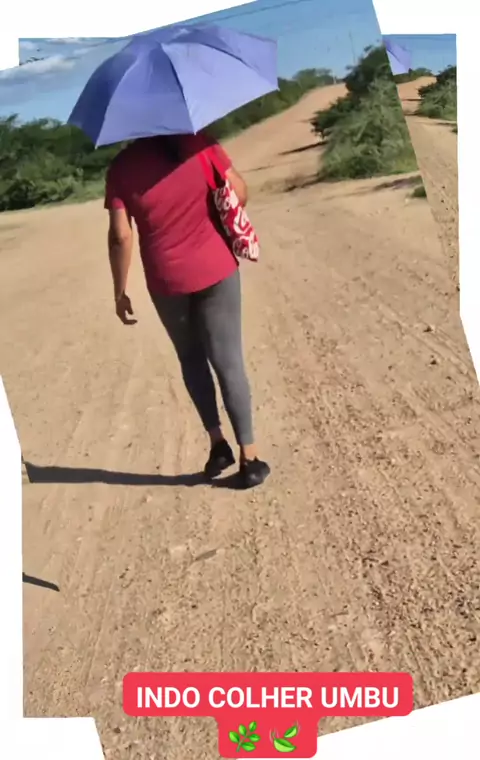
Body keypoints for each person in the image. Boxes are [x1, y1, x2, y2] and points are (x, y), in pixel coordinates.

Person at [104, 132, 271, 489]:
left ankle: (217, 443)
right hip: (217, 267)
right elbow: (239, 193)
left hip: (166, 280)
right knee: (229, 361)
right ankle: (250, 457)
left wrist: (120, 291)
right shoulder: (200, 145)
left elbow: (120, 235)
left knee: (191, 359)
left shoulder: (120, 168)